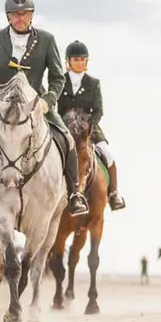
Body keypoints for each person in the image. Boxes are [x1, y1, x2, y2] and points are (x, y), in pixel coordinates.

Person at [0, 0, 89, 218]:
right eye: (15, 14)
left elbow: (58, 78)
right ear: (8, 17)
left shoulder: (47, 40)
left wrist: (47, 102)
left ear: (32, 15)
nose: (20, 18)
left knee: (67, 138)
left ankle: (75, 193)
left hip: (36, 105)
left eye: (24, 14)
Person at [56, 40, 126, 211]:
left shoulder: (93, 83)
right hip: (64, 128)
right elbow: (55, 108)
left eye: (82, 60)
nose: (79, 63)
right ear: (68, 62)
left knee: (108, 155)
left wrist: (89, 126)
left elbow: (98, 110)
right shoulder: (59, 82)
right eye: (75, 60)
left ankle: (114, 193)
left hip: (88, 129)